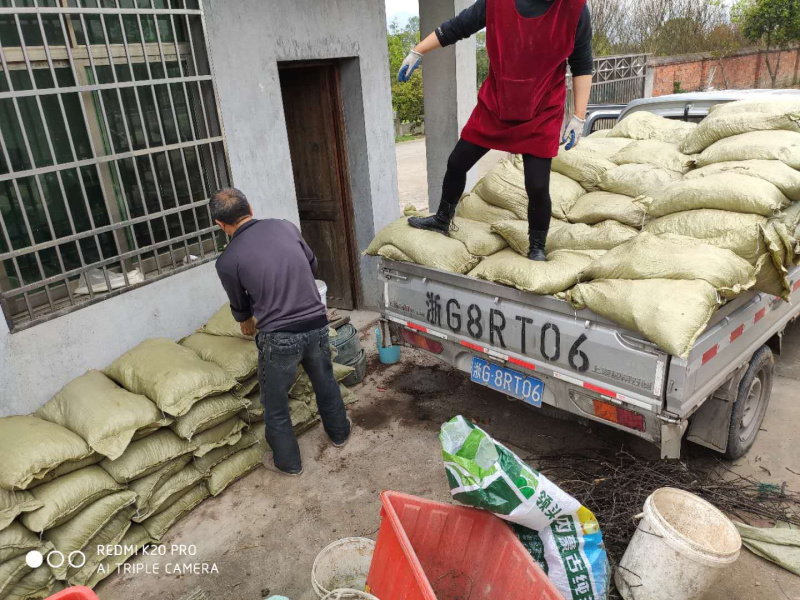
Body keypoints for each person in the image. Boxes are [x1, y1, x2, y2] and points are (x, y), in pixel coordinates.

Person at [398, 0, 593, 261]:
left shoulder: (575, 9)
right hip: (497, 103)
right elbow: (458, 27)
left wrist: (579, 117)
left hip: (542, 109)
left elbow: (582, 64)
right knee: (457, 162)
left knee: (536, 185)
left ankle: (537, 247)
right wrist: (418, 51)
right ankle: (443, 219)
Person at [210, 188, 351, 477]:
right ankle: (340, 435)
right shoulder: (285, 227)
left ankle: (289, 464)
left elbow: (239, 304)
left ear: (219, 225)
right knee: (325, 382)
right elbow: (311, 264)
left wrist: (246, 321)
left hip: (279, 337)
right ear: (250, 206)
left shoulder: (227, 260)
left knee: (274, 404)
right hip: (316, 322)